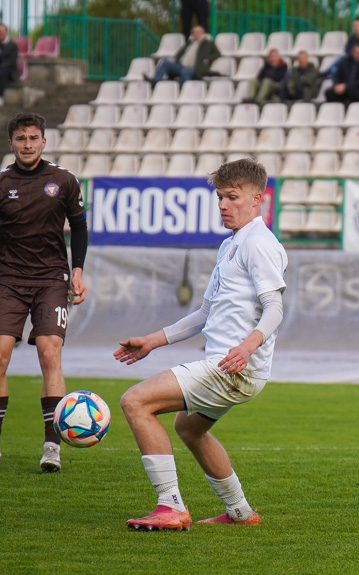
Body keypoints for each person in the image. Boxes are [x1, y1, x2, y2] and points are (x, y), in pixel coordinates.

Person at [115, 158, 288, 531]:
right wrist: (153, 341)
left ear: (257, 199)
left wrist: (247, 346)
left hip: (232, 366)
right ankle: (240, 511)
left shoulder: (260, 244)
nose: (224, 205)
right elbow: (205, 313)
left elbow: (275, 307)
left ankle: (170, 506)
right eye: (220, 198)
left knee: (136, 401)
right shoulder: (231, 245)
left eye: (232, 197)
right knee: (189, 429)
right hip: (230, 365)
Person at [0, 112, 88, 472]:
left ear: (44, 142)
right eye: (21, 139)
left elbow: (79, 229)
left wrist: (78, 271)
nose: (27, 144)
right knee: (0, 355)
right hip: (8, 279)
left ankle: (52, 445)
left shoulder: (63, 180)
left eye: (33, 138)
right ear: (11, 144)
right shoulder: (2, 183)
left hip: (52, 279)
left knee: (50, 354)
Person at [146, 25, 220, 86]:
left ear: (203, 33)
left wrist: (208, 59)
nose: (196, 34)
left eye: (198, 32)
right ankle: (155, 81)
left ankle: (184, 91)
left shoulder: (209, 44)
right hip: (181, 66)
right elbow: (179, 53)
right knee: (165, 62)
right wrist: (177, 58)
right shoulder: (189, 43)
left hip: (196, 68)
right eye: (194, 32)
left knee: (184, 72)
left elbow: (218, 54)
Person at [0, 23, 18, 106]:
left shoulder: (13, 46)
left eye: (2, 32)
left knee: (3, 71)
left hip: (10, 71)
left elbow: (12, 61)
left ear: (6, 32)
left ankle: (0, 97)